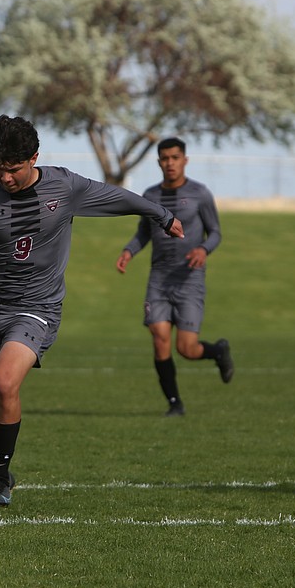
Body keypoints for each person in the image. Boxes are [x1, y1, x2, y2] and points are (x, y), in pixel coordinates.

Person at [0, 115, 184, 507]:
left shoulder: (65, 185)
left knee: (5, 384)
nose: (4, 177)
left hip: (37, 309)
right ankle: (0, 473)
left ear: (34, 158)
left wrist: (162, 216)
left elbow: (118, 197)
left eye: (13, 169)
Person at [115, 137, 233, 417]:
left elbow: (215, 231)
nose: (170, 163)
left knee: (187, 348)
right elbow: (144, 232)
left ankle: (218, 351)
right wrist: (129, 252)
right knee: (159, 336)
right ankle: (174, 404)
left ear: (185, 160)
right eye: (165, 159)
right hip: (159, 278)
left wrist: (204, 250)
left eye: (175, 158)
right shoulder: (150, 196)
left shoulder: (200, 194)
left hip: (189, 279)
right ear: (159, 162)